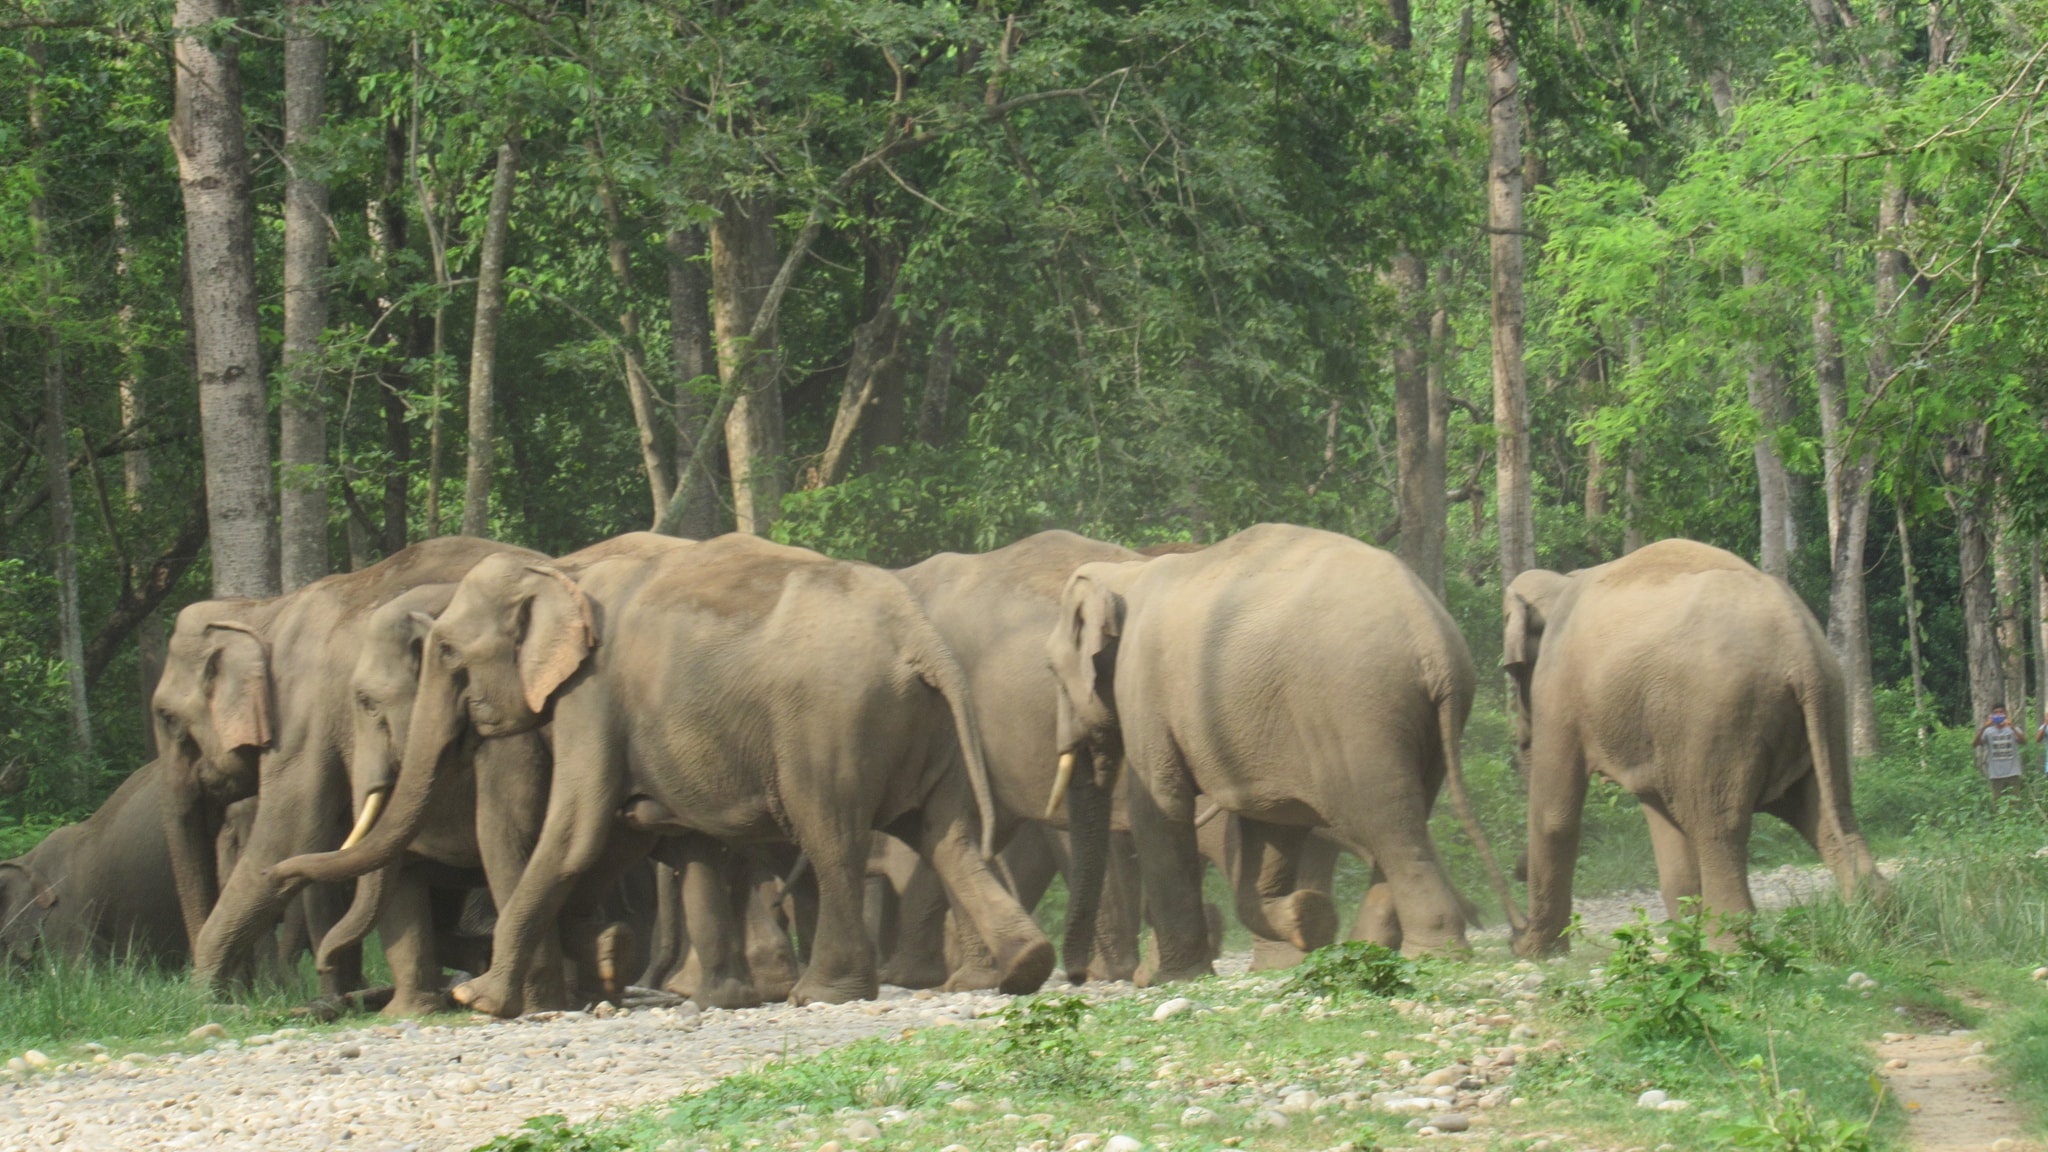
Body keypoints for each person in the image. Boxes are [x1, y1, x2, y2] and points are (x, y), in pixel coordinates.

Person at [1973, 709, 2026, 801]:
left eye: (2001, 713)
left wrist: (2012, 727)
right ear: (1991, 716)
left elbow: (2023, 742)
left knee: (2015, 802)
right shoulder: (1988, 731)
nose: (1998, 715)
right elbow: (1974, 744)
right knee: (1998, 803)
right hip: (1996, 774)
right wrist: (1983, 728)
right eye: (1995, 713)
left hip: (2012, 773)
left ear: (2006, 715)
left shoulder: (2013, 729)